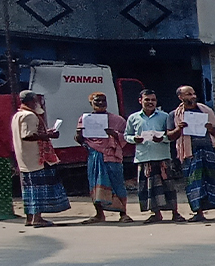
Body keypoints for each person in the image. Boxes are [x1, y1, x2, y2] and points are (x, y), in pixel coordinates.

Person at [169, 85, 215, 222]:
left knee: (213, 181)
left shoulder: (205, 110)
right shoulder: (174, 115)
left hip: (207, 151)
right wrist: (178, 129)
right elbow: (170, 136)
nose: (192, 96)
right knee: (193, 183)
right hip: (189, 154)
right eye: (188, 94)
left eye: (193, 93)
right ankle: (198, 213)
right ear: (181, 97)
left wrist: (211, 129)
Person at [11, 90, 69, 227]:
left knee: (28, 190)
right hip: (36, 158)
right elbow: (28, 135)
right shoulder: (30, 116)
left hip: (24, 158)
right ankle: (37, 218)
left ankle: (29, 218)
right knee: (38, 189)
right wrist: (48, 136)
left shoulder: (17, 115)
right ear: (32, 101)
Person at [125, 89, 183, 223]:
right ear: (140, 101)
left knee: (168, 187)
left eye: (153, 100)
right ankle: (156, 214)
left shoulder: (164, 116)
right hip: (144, 157)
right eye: (147, 100)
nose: (150, 102)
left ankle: (175, 213)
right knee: (149, 188)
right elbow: (126, 135)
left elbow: (171, 135)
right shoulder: (133, 118)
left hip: (162, 157)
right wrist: (135, 139)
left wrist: (161, 138)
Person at [76, 91, 132, 223]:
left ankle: (123, 213)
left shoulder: (118, 120)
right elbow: (81, 140)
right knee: (96, 184)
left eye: (103, 101)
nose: (101, 103)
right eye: (97, 101)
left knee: (117, 184)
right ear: (91, 103)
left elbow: (126, 137)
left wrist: (114, 134)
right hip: (95, 156)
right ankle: (99, 214)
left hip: (112, 157)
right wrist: (79, 133)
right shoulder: (84, 119)